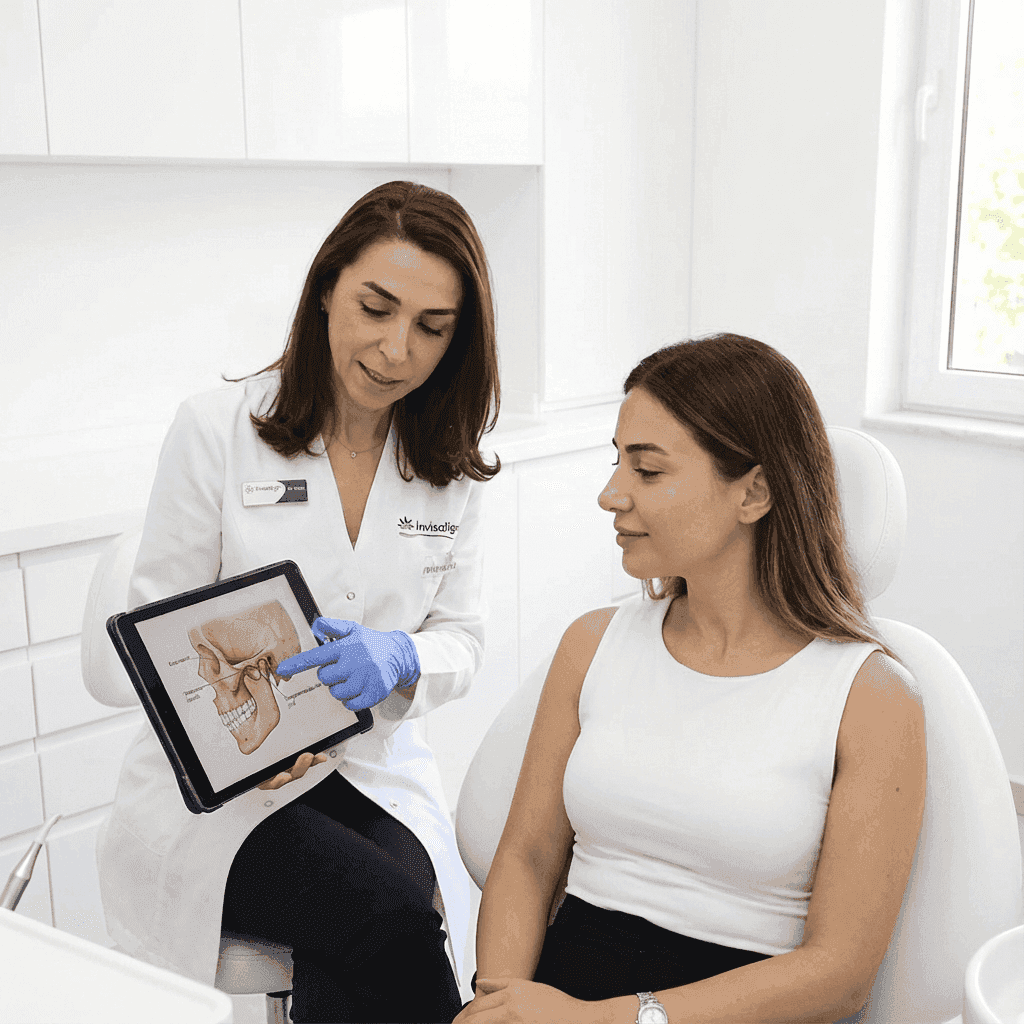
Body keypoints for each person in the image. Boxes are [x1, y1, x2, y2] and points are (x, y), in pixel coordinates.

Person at [97, 181, 500, 1024]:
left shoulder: (453, 465)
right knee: (389, 920)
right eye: (376, 307)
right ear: (326, 290)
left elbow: (462, 636)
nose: (396, 350)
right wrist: (245, 745)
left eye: (432, 327)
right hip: (227, 784)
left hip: (372, 768)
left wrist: (403, 655)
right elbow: (156, 634)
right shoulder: (217, 429)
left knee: (385, 919)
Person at [455, 334, 926, 1024]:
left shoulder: (872, 697)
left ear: (754, 492)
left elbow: (839, 975)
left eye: (647, 471)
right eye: (616, 462)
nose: (610, 494)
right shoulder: (593, 645)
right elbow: (527, 857)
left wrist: (603, 1021)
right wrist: (498, 1003)